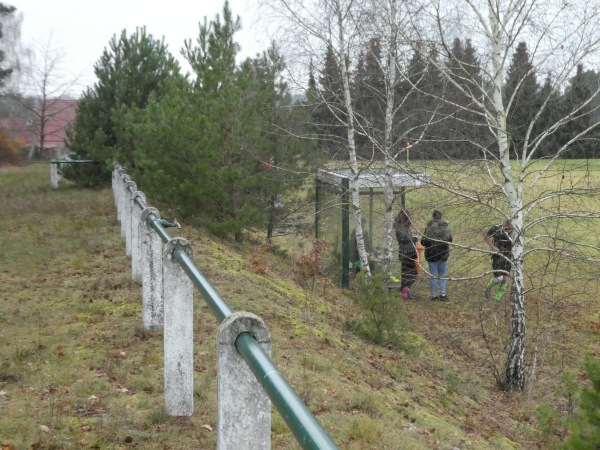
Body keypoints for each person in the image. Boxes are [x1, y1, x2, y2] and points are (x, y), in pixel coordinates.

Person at [421, 210, 453, 302]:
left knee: (433, 275)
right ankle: (443, 295)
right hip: (443, 254)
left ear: (433, 217)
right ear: (441, 217)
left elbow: (423, 242)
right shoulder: (446, 228)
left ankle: (433, 296)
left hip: (431, 255)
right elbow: (450, 240)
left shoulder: (428, 228)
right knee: (442, 275)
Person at [484, 220, 514, 301]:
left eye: (511, 229)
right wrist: (493, 247)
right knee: (499, 278)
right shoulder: (496, 228)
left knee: (505, 278)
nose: (510, 231)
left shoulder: (515, 231)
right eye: (508, 229)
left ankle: (498, 298)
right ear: (505, 227)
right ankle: (488, 287)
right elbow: (486, 236)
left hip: (508, 257)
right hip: (497, 256)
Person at [394, 209, 418, 299]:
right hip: (407, 253)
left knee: (406, 273)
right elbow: (403, 239)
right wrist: (412, 240)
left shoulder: (402, 227)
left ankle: (405, 291)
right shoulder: (401, 228)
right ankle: (405, 291)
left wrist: (412, 239)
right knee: (412, 272)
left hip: (406, 252)